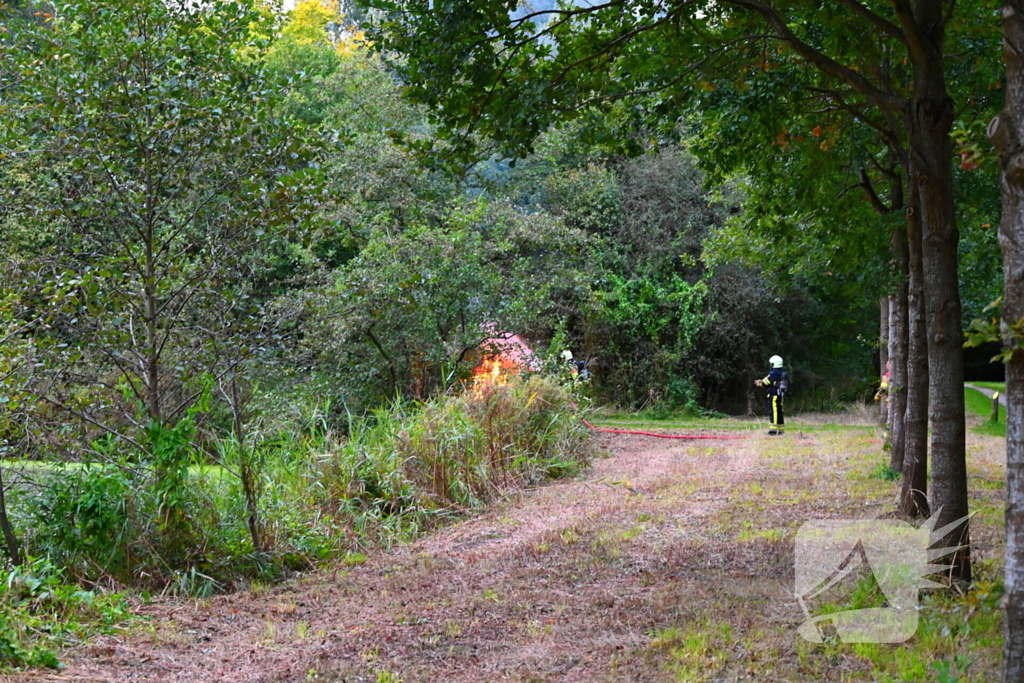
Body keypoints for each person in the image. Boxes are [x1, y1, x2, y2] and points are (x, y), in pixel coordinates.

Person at [755, 355, 787, 435]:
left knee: (773, 411)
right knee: (779, 411)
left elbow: (766, 382)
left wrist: (760, 382)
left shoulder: (774, 372)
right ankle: (780, 430)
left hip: (773, 396)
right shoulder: (780, 372)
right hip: (780, 395)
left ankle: (773, 430)